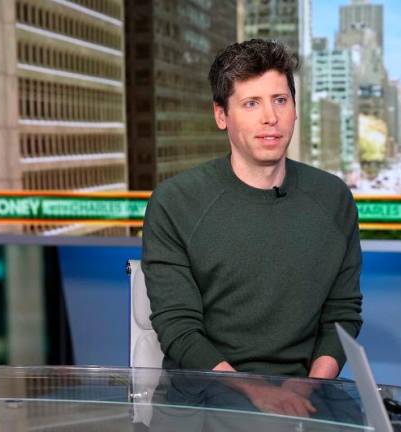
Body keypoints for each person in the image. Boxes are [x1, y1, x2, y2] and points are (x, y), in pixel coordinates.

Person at [142, 39, 362, 386]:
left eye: (280, 100)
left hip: (303, 401)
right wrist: (256, 395)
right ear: (221, 115)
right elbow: (179, 330)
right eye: (251, 103)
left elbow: (342, 314)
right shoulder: (175, 202)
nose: (270, 118)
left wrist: (311, 389)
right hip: (205, 406)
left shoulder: (333, 198)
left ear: (294, 108)